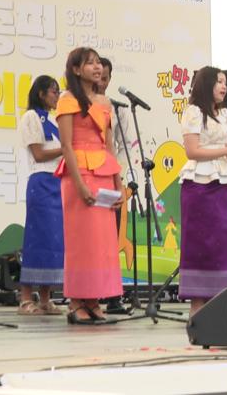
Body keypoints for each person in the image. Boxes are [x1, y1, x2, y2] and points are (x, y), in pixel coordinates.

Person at [55, 47, 123, 324]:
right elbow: (67, 146)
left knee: (102, 243)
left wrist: (119, 184)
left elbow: (109, 146)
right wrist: (81, 184)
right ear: (75, 69)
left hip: (103, 171)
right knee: (81, 242)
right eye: (90, 63)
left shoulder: (105, 102)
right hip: (79, 174)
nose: (97, 68)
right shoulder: (67, 99)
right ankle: (75, 302)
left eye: (98, 63)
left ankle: (94, 299)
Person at [179, 66, 227, 316]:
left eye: (225, 82)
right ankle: (197, 308)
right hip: (199, 184)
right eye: (218, 81)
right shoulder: (194, 112)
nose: (224, 86)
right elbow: (192, 151)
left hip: (222, 181)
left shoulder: (225, 114)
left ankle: (219, 304)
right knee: (200, 242)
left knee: (223, 241)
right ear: (205, 84)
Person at [15, 75, 64, 316]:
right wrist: (67, 149)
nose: (57, 95)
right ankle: (25, 298)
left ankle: (46, 298)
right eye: (53, 91)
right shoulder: (31, 117)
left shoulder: (56, 120)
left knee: (54, 242)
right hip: (41, 182)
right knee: (37, 240)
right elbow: (38, 154)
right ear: (41, 93)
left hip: (58, 182)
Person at [97, 57, 134, 314]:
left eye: (105, 77)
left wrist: (118, 177)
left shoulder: (117, 108)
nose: (101, 81)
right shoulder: (73, 102)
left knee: (111, 239)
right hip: (87, 177)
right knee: (91, 239)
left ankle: (112, 296)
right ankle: (86, 296)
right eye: (97, 75)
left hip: (111, 177)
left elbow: (124, 145)